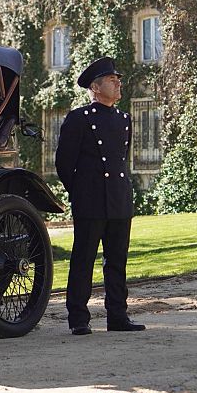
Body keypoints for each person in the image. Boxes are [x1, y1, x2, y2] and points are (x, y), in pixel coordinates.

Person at [55, 56, 145, 336]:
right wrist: (81, 192)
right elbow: (64, 164)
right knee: (83, 260)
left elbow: (122, 161)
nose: (118, 83)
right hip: (91, 200)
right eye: (111, 80)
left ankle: (118, 316)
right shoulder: (79, 119)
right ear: (95, 87)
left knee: (117, 261)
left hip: (119, 199)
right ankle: (78, 318)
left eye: (118, 79)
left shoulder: (124, 119)